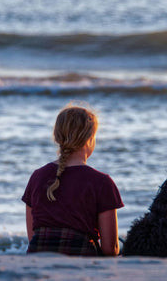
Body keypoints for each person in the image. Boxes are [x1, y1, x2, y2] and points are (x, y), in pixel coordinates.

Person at [22, 104, 124, 256]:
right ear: (90, 139)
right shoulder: (102, 182)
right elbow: (110, 249)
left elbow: (33, 237)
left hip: (38, 258)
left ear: (57, 137)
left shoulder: (37, 176)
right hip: (81, 258)